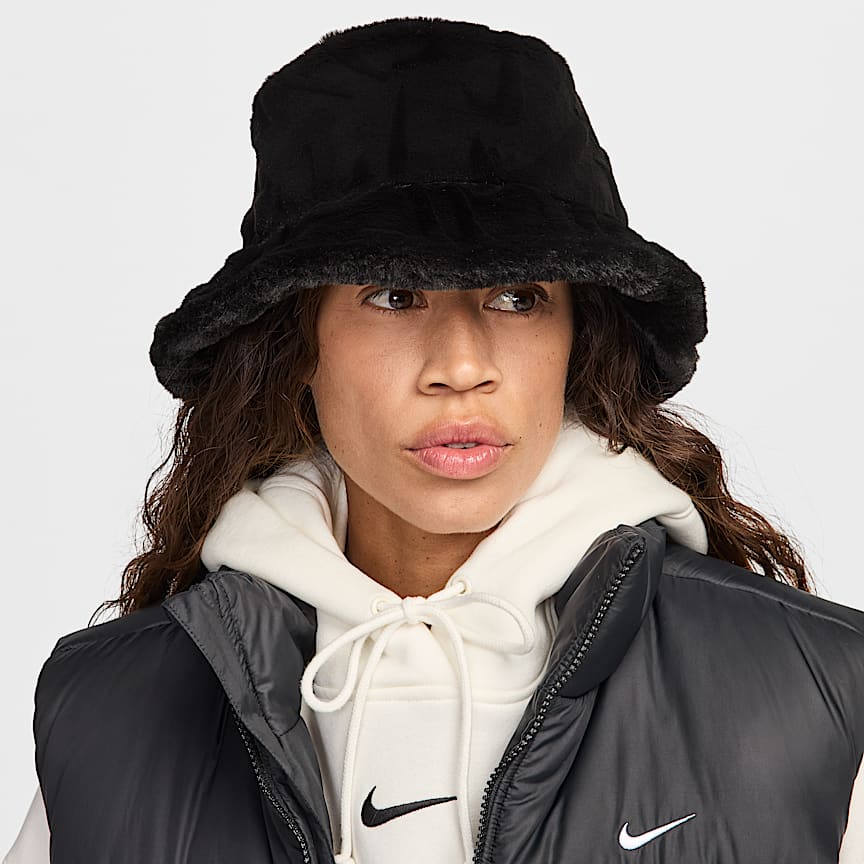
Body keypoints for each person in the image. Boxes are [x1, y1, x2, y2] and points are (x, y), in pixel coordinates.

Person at [5, 16, 864, 864]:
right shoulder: (112, 716)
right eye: (392, 295)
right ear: (295, 340)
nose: (461, 366)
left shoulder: (812, 696)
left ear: (579, 337)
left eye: (519, 298)